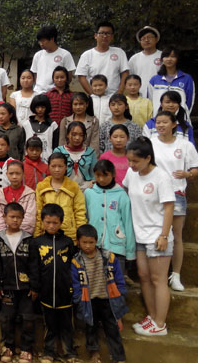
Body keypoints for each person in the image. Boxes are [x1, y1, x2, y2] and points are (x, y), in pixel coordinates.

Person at [123, 138, 175, 336]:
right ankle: (152, 317)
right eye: (129, 160)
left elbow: (169, 207)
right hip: (139, 234)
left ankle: (160, 324)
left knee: (158, 279)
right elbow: (124, 190)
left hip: (157, 235)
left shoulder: (161, 176)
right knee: (144, 277)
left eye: (135, 161)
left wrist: (164, 235)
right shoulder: (131, 173)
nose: (131, 164)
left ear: (148, 158)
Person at [150, 111, 198, 291]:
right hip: (154, 194)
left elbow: (195, 169)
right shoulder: (150, 143)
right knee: (156, 233)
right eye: (158, 122)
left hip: (176, 193)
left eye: (164, 122)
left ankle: (175, 275)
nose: (160, 125)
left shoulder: (185, 145)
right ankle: (158, 275)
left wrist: (188, 174)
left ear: (174, 124)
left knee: (176, 235)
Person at [71, 224, 128, 363]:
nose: (88, 246)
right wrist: (78, 299)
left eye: (91, 242)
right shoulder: (76, 261)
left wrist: (121, 292)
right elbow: (75, 283)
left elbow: (118, 277)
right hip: (89, 300)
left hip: (108, 299)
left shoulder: (108, 257)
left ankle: (119, 357)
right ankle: (94, 353)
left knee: (112, 328)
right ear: (78, 242)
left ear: (96, 241)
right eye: (84, 242)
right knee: (91, 327)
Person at [29, 204, 77, 363]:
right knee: (49, 324)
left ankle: (70, 352)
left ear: (61, 222)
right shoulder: (37, 242)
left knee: (67, 324)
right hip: (46, 292)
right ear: (42, 221)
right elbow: (34, 267)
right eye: (48, 222)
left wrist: (74, 287)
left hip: (65, 292)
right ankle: (49, 352)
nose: (51, 226)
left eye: (55, 223)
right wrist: (35, 287)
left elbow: (73, 266)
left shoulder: (68, 243)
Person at [0, 202, 36, 363]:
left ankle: (26, 348)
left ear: (23, 218)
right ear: (4, 217)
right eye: (12, 217)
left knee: (27, 319)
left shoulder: (29, 239)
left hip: (26, 288)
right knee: (7, 318)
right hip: (7, 287)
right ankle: (8, 347)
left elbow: (34, 265)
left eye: (18, 217)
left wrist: (34, 286)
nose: (15, 220)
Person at [85, 160, 135, 272]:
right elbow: (86, 218)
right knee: (96, 280)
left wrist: (130, 253)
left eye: (105, 175)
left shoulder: (121, 195)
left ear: (113, 174)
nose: (101, 179)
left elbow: (128, 223)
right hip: (94, 246)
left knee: (117, 280)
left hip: (117, 247)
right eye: (98, 175)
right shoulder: (89, 193)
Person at [34, 153, 87, 243]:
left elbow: (80, 213)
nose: (57, 169)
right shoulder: (41, 187)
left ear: (66, 167)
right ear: (48, 167)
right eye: (53, 166)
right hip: (46, 235)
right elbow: (38, 213)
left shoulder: (73, 187)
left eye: (60, 166)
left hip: (69, 235)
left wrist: (80, 236)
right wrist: (37, 236)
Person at [76, 21, 129, 96]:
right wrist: (92, 94)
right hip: (95, 96)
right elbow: (81, 77)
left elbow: (125, 73)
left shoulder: (119, 52)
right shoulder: (86, 55)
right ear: (95, 35)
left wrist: (119, 93)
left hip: (115, 97)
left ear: (112, 36)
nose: (105, 36)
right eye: (102, 33)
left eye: (108, 33)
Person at [148, 46, 195, 120]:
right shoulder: (154, 80)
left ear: (177, 59)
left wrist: (184, 117)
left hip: (180, 120)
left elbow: (189, 102)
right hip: (159, 121)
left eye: (173, 56)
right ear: (162, 59)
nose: (169, 59)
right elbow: (150, 101)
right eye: (166, 56)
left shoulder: (186, 78)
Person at [30, 25, 76, 94]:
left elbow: (69, 77)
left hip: (57, 94)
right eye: (39, 41)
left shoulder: (65, 54)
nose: (41, 44)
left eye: (43, 41)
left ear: (52, 39)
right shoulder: (38, 55)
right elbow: (35, 75)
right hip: (38, 93)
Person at [0, 160, 36, 234]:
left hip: (24, 235)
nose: (14, 177)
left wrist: (20, 235)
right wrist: (4, 235)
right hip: (5, 235)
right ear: (7, 174)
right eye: (11, 173)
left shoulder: (29, 194)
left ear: (23, 174)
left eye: (18, 173)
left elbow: (30, 218)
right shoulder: (1, 194)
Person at [54, 121, 97, 191]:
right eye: (74, 134)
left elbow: (94, 175)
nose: (77, 138)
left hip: (86, 190)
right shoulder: (59, 151)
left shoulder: (90, 152)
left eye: (81, 135)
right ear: (67, 134)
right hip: (63, 190)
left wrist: (92, 183)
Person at [21, 94, 59, 163]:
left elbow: (55, 147)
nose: (40, 110)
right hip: (29, 163)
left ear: (47, 107)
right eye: (37, 107)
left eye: (43, 107)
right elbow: (22, 145)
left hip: (47, 163)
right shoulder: (26, 125)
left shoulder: (53, 125)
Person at [128, 26, 162, 93]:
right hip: (140, 94)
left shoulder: (163, 56)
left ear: (156, 39)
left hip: (159, 93)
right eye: (143, 38)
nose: (146, 40)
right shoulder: (134, 58)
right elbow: (130, 78)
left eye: (149, 37)